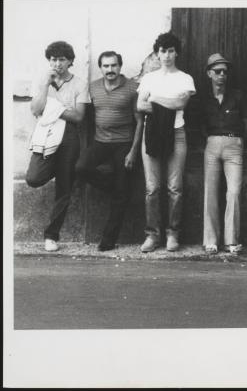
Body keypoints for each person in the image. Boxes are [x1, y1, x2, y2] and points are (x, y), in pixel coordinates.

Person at [75, 51, 144, 251]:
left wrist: (133, 151)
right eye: (106, 66)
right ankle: (116, 187)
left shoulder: (133, 88)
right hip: (100, 142)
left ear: (120, 66)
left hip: (124, 143)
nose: (110, 70)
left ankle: (108, 239)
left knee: (122, 194)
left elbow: (140, 121)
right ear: (101, 68)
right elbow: (88, 119)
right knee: (81, 168)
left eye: (114, 65)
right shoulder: (93, 88)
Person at [26, 41, 90, 252]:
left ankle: (51, 236)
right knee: (34, 178)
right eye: (53, 59)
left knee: (64, 187)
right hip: (45, 134)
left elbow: (78, 116)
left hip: (69, 137)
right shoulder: (41, 80)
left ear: (70, 61)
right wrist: (45, 87)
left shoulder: (80, 84)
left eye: (62, 59)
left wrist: (52, 108)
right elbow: (36, 109)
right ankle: (57, 167)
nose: (57, 63)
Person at [137, 32, 196, 253]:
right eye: (163, 51)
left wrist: (154, 99)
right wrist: (167, 103)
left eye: (171, 50)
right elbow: (140, 106)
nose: (167, 55)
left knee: (175, 187)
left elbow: (182, 101)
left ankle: (173, 234)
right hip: (151, 133)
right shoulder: (149, 78)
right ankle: (152, 235)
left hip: (177, 132)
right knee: (152, 188)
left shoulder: (185, 78)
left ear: (176, 53)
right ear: (157, 53)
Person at [199, 53, 247, 254]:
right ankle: (210, 240)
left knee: (234, 192)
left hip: (234, 145)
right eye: (217, 72)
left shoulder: (237, 96)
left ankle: (231, 240)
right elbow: (200, 125)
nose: (222, 75)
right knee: (210, 192)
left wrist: (238, 140)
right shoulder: (205, 99)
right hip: (212, 144)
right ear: (209, 74)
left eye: (225, 72)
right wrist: (211, 139)